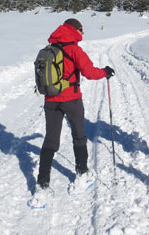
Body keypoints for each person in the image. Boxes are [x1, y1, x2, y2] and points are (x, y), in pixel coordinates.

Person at [36, 18, 115, 193]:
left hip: (50, 100)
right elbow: (89, 72)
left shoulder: (49, 49)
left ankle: (42, 184)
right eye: (81, 29)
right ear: (74, 30)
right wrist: (105, 72)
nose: (83, 32)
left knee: (50, 140)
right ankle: (82, 173)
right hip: (71, 99)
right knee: (79, 136)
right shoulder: (74, 49)